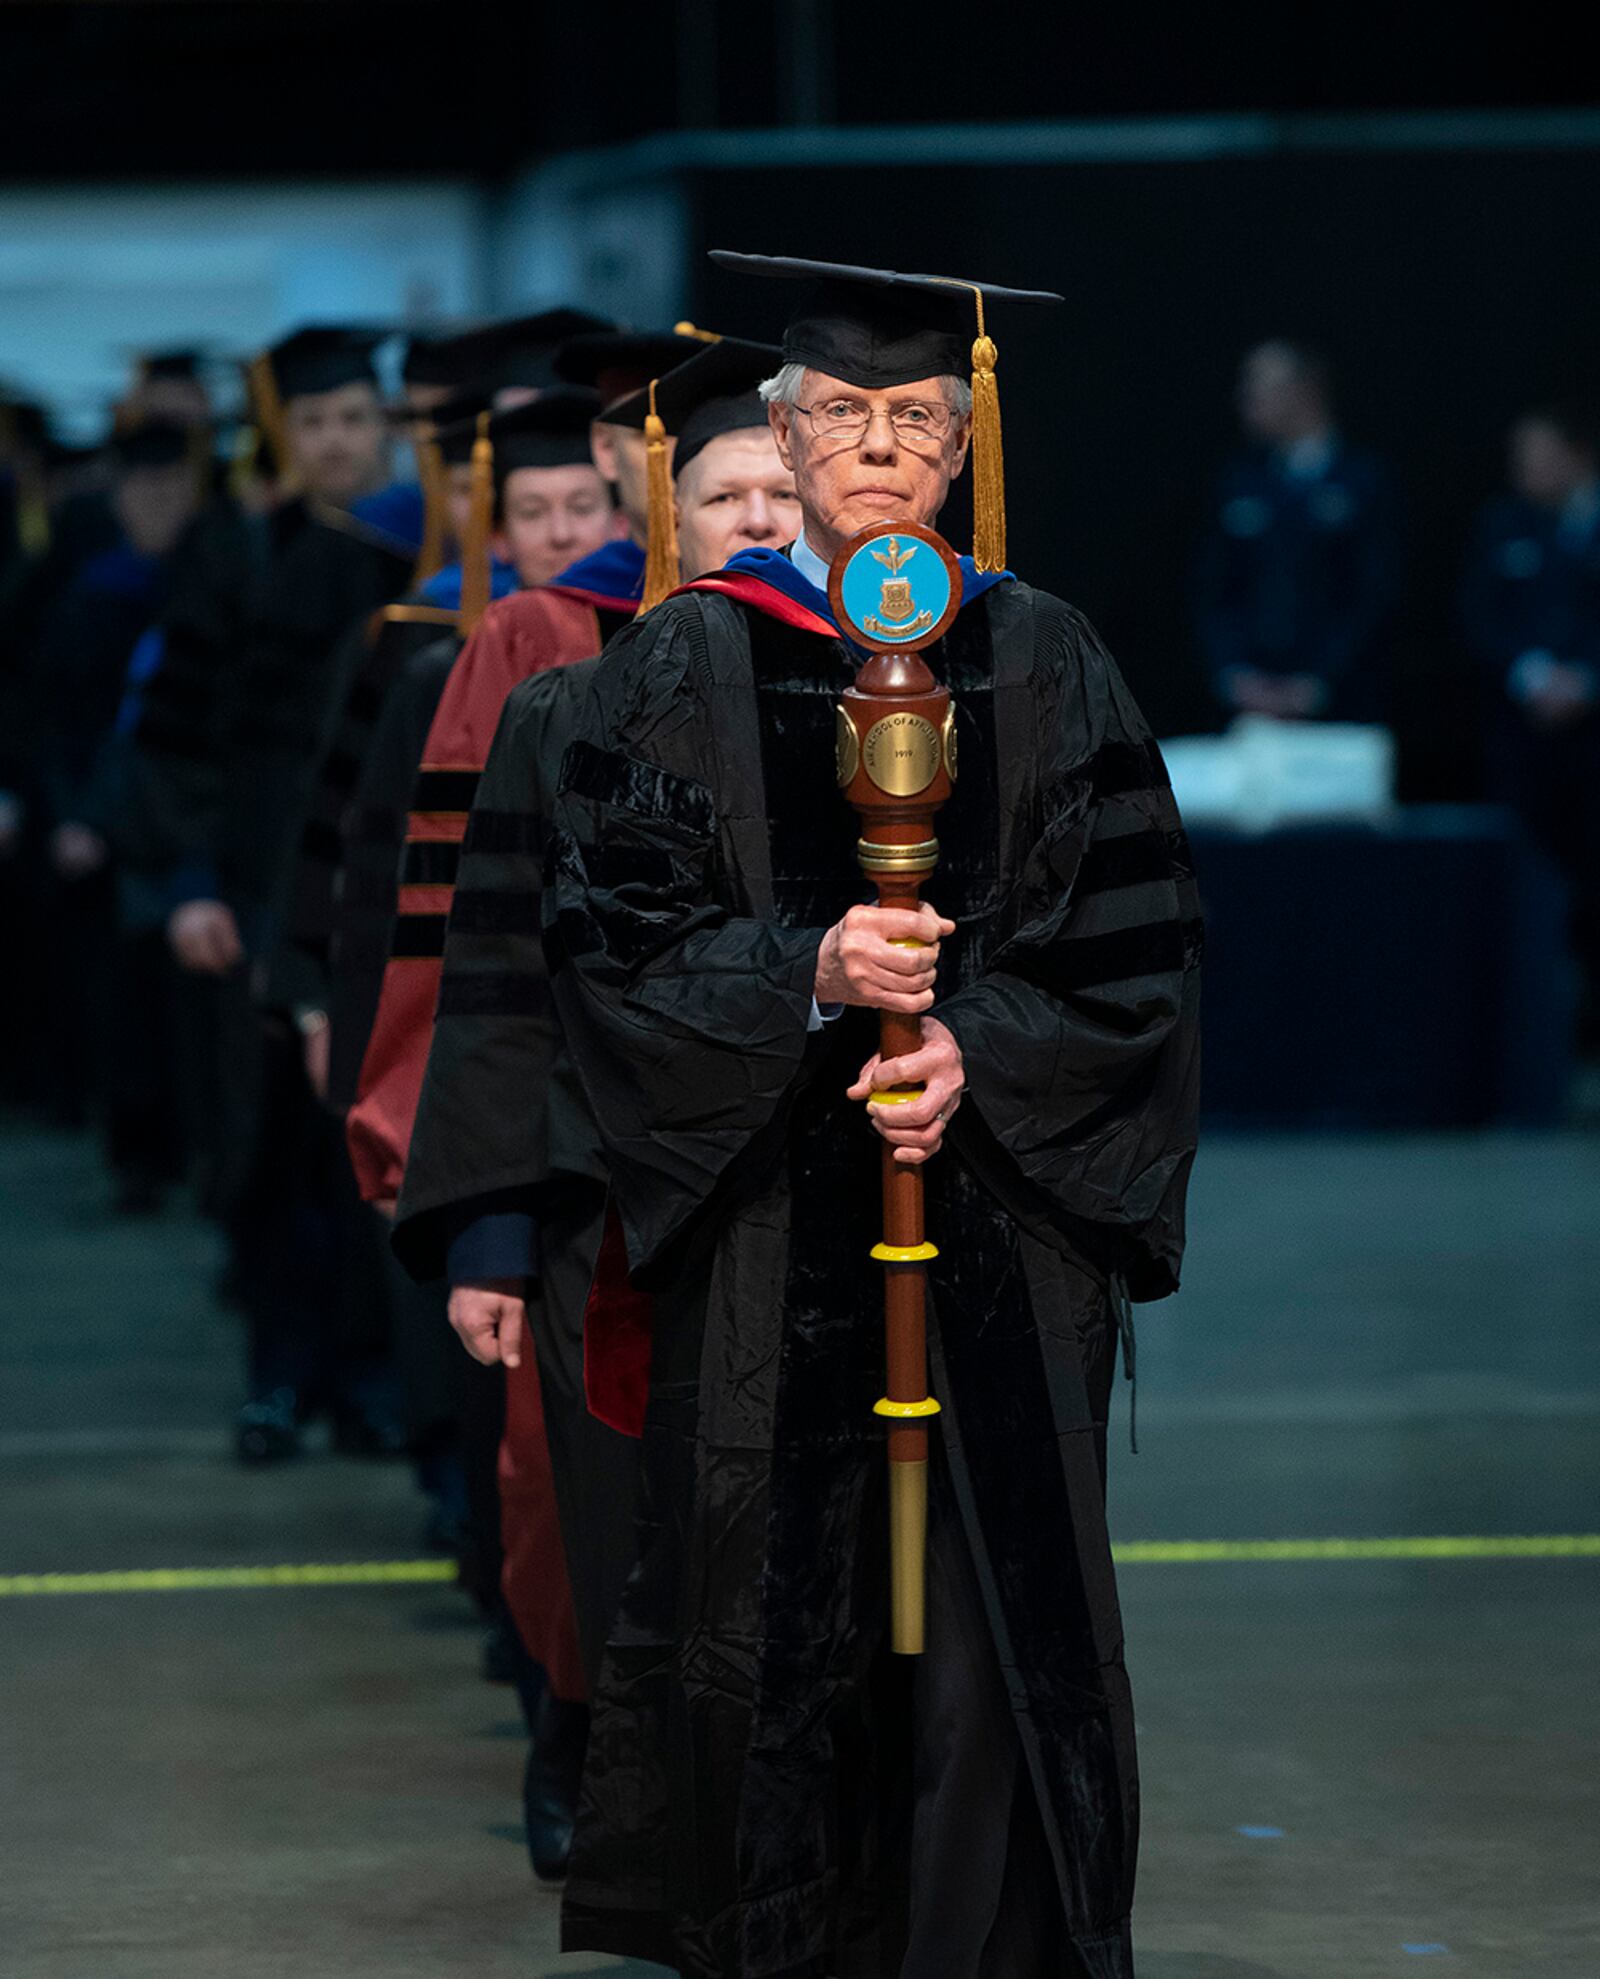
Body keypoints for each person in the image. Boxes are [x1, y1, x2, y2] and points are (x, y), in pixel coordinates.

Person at [419, 255, 1201, 1974]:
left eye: (916, 416)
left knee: (1001, 1631)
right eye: (841, 412)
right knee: (776, 1613)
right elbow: (606, 950)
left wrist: (978, 1045)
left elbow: (1142, 954)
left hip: (1002, 1223)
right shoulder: (680, 660)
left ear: (963, 439)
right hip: (771, 1232)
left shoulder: (1048, 650)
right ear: (786, 426)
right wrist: (809, 969)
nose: (878, 445)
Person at [1461, 403, 1600, 1037]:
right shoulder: (1502, 526)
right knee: (1530, 880)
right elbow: (1480, 617)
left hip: (1591, 738)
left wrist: (1586, 681)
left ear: (1578, 455)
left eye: (1539, 456)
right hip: (1526, 738)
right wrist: (1531, 677)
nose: (1526, 471)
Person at [1194, 338, 1401, 724]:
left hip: (1340, 710)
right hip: (1248, 704)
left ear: (1304, 391)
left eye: (1259, 386)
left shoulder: (1363, 482)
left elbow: (1374, 594)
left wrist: (1318, 681)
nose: (1245, 398)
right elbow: (1214, 589)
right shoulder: (1240, 482)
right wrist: (1234, 673)